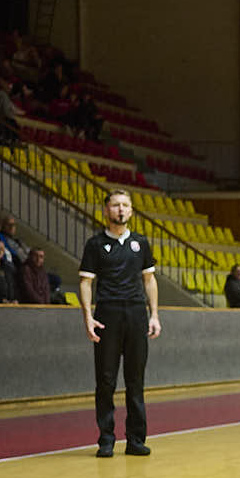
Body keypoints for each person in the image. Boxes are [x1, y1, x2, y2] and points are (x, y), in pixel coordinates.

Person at [78, 189, 160, 457]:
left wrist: (154, 314)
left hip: (136, 313)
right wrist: (88, 316)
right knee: (106, 380)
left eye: (125, 205)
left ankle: (136, 439)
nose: (121, 209)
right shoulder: (95, 244)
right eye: (115, 205)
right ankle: (106, 439)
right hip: (108, 314)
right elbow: (85, 282)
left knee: (135, 380)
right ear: (106, 210)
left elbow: (149, 280)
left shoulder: (140, 243)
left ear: (131, 211)